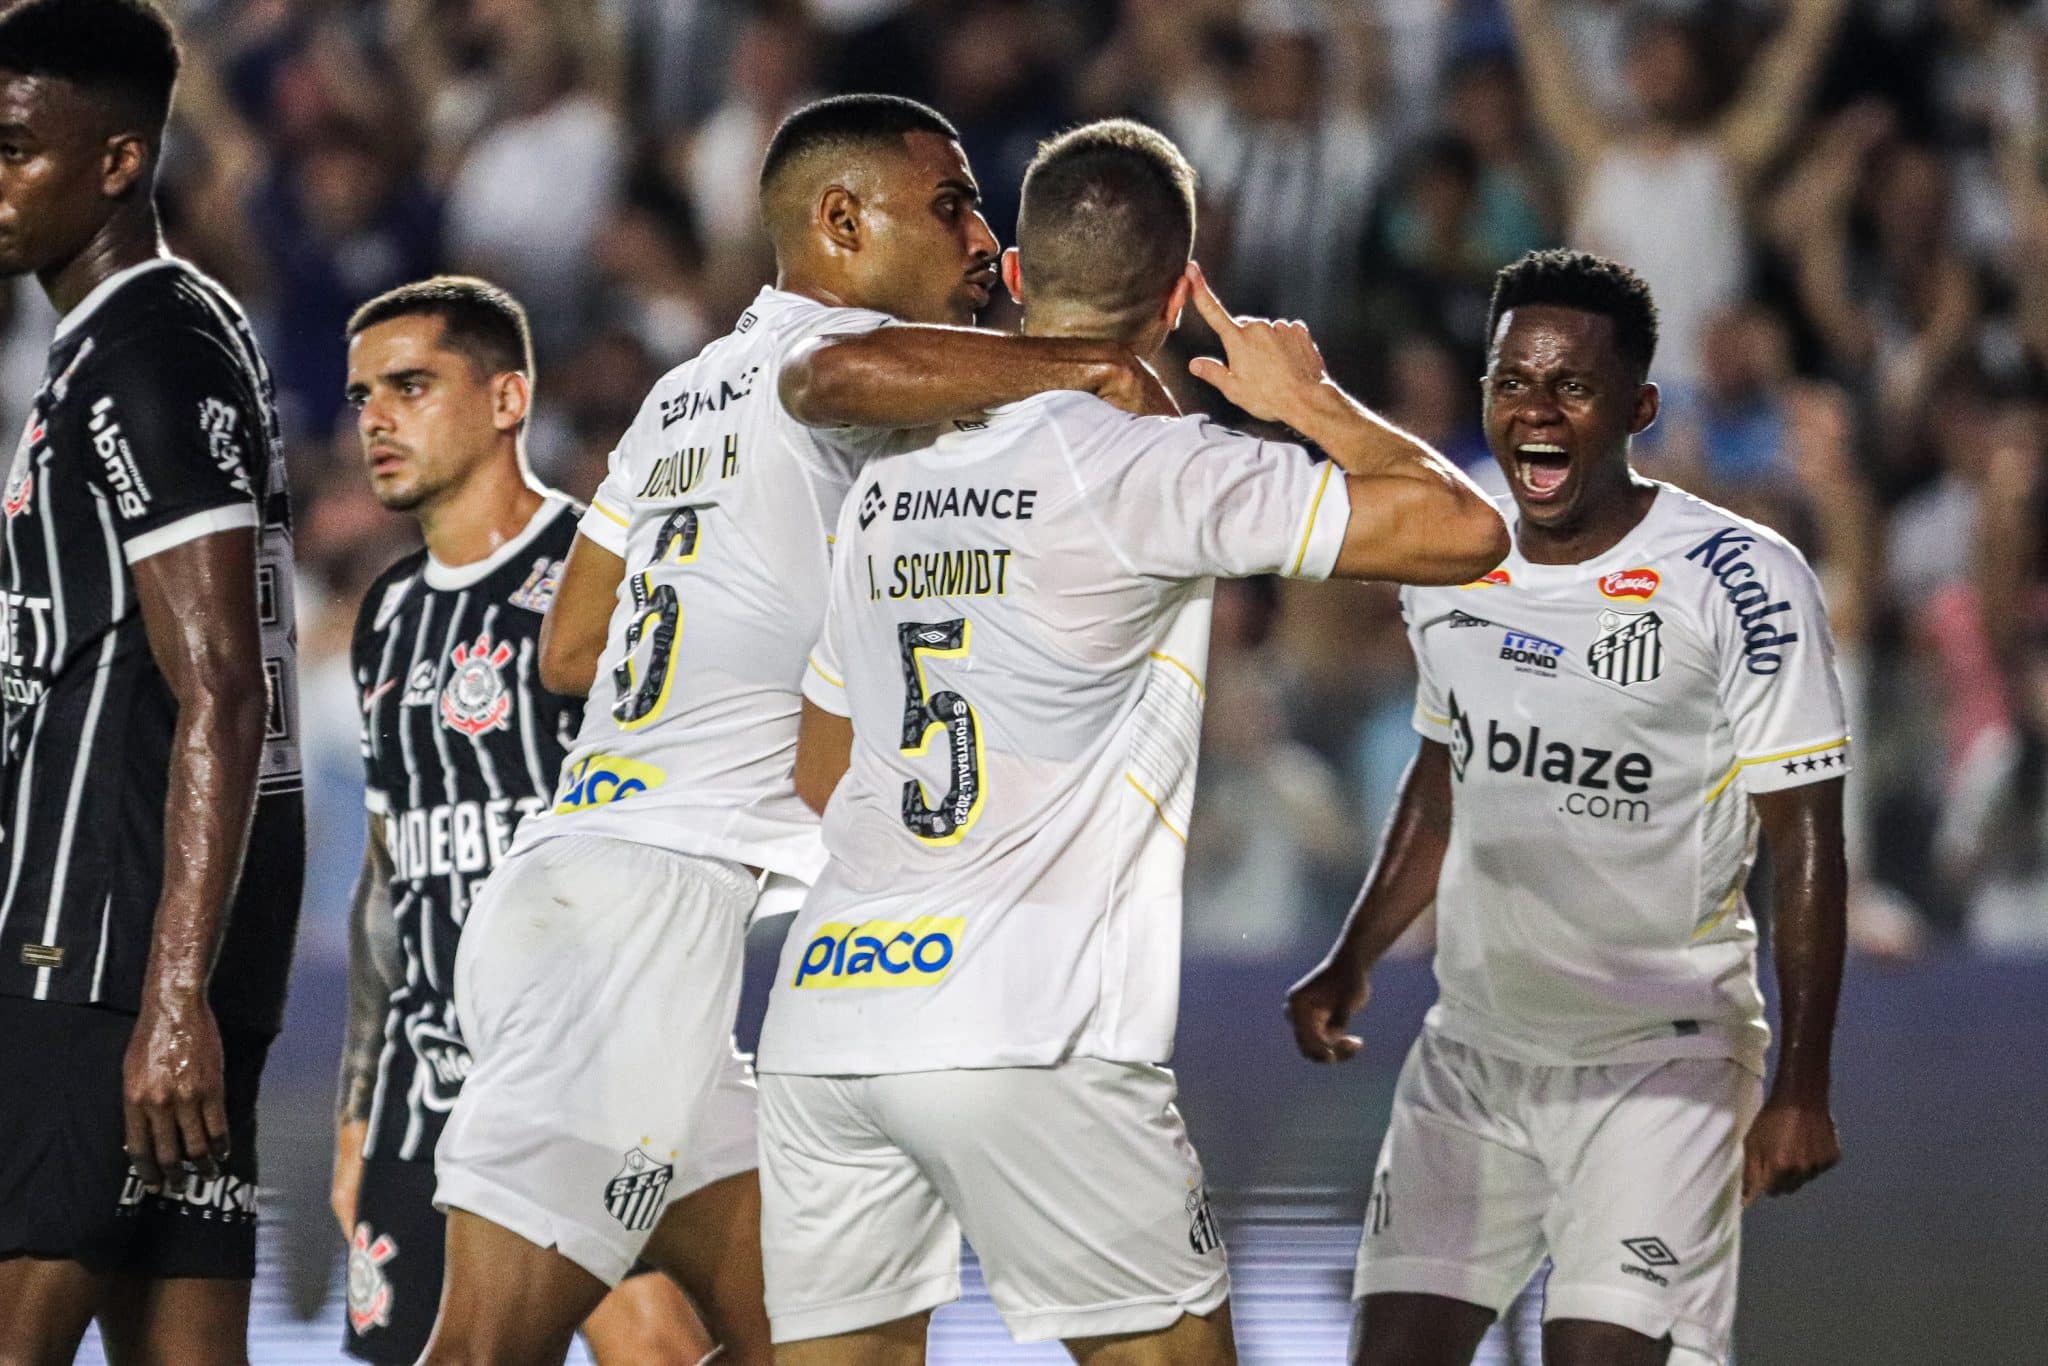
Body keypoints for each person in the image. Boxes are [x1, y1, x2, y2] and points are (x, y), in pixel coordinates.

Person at [419, 94, 1173, 1366]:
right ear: (840, 220)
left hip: (612, 898)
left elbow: (567, 650)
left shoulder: (680, 394)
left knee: (819, 1342)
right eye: (950, 204)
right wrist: (1086, 361)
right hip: (642, 920)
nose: (983, 237)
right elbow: (837, 379)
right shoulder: (847, 360)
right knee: (486, 1350)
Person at [754, 118, 1507, 1365]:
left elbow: (820, 768)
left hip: (830, 1021)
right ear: (1177, 294)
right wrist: (1306, 401)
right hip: (1027, 1023)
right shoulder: (1152, 470)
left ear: (1022, 273)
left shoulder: (891, 484)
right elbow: (1462, 531)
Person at [1285, 250, 1850, 1366]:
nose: (1533, 414)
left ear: (1636, 405)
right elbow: (1443, 771)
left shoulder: (1738, 578)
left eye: (1571, 388)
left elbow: (1805, 838)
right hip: (1474, 1054)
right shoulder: (1452, 556)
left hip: (1662, 1055)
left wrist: (1801, 1082)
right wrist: (1353, 954)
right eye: (1510, 383)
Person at [333, 276, 715, 1365]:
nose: (377, 418)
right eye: (363, 394)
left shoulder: (593, 582)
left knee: (655, 1345)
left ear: (507, 399)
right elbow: (388, 877)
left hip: (581, 1077)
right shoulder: (388, 616)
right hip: (424, 1096)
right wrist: (361, 1101)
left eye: (411, 385)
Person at [0, 1, 303, 1360]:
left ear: (119, 162)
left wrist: (172, 998)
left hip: (98, 954)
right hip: (157, 957)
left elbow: (223, 689)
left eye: (15, 150)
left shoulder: (149, 359)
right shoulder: (154, 341)